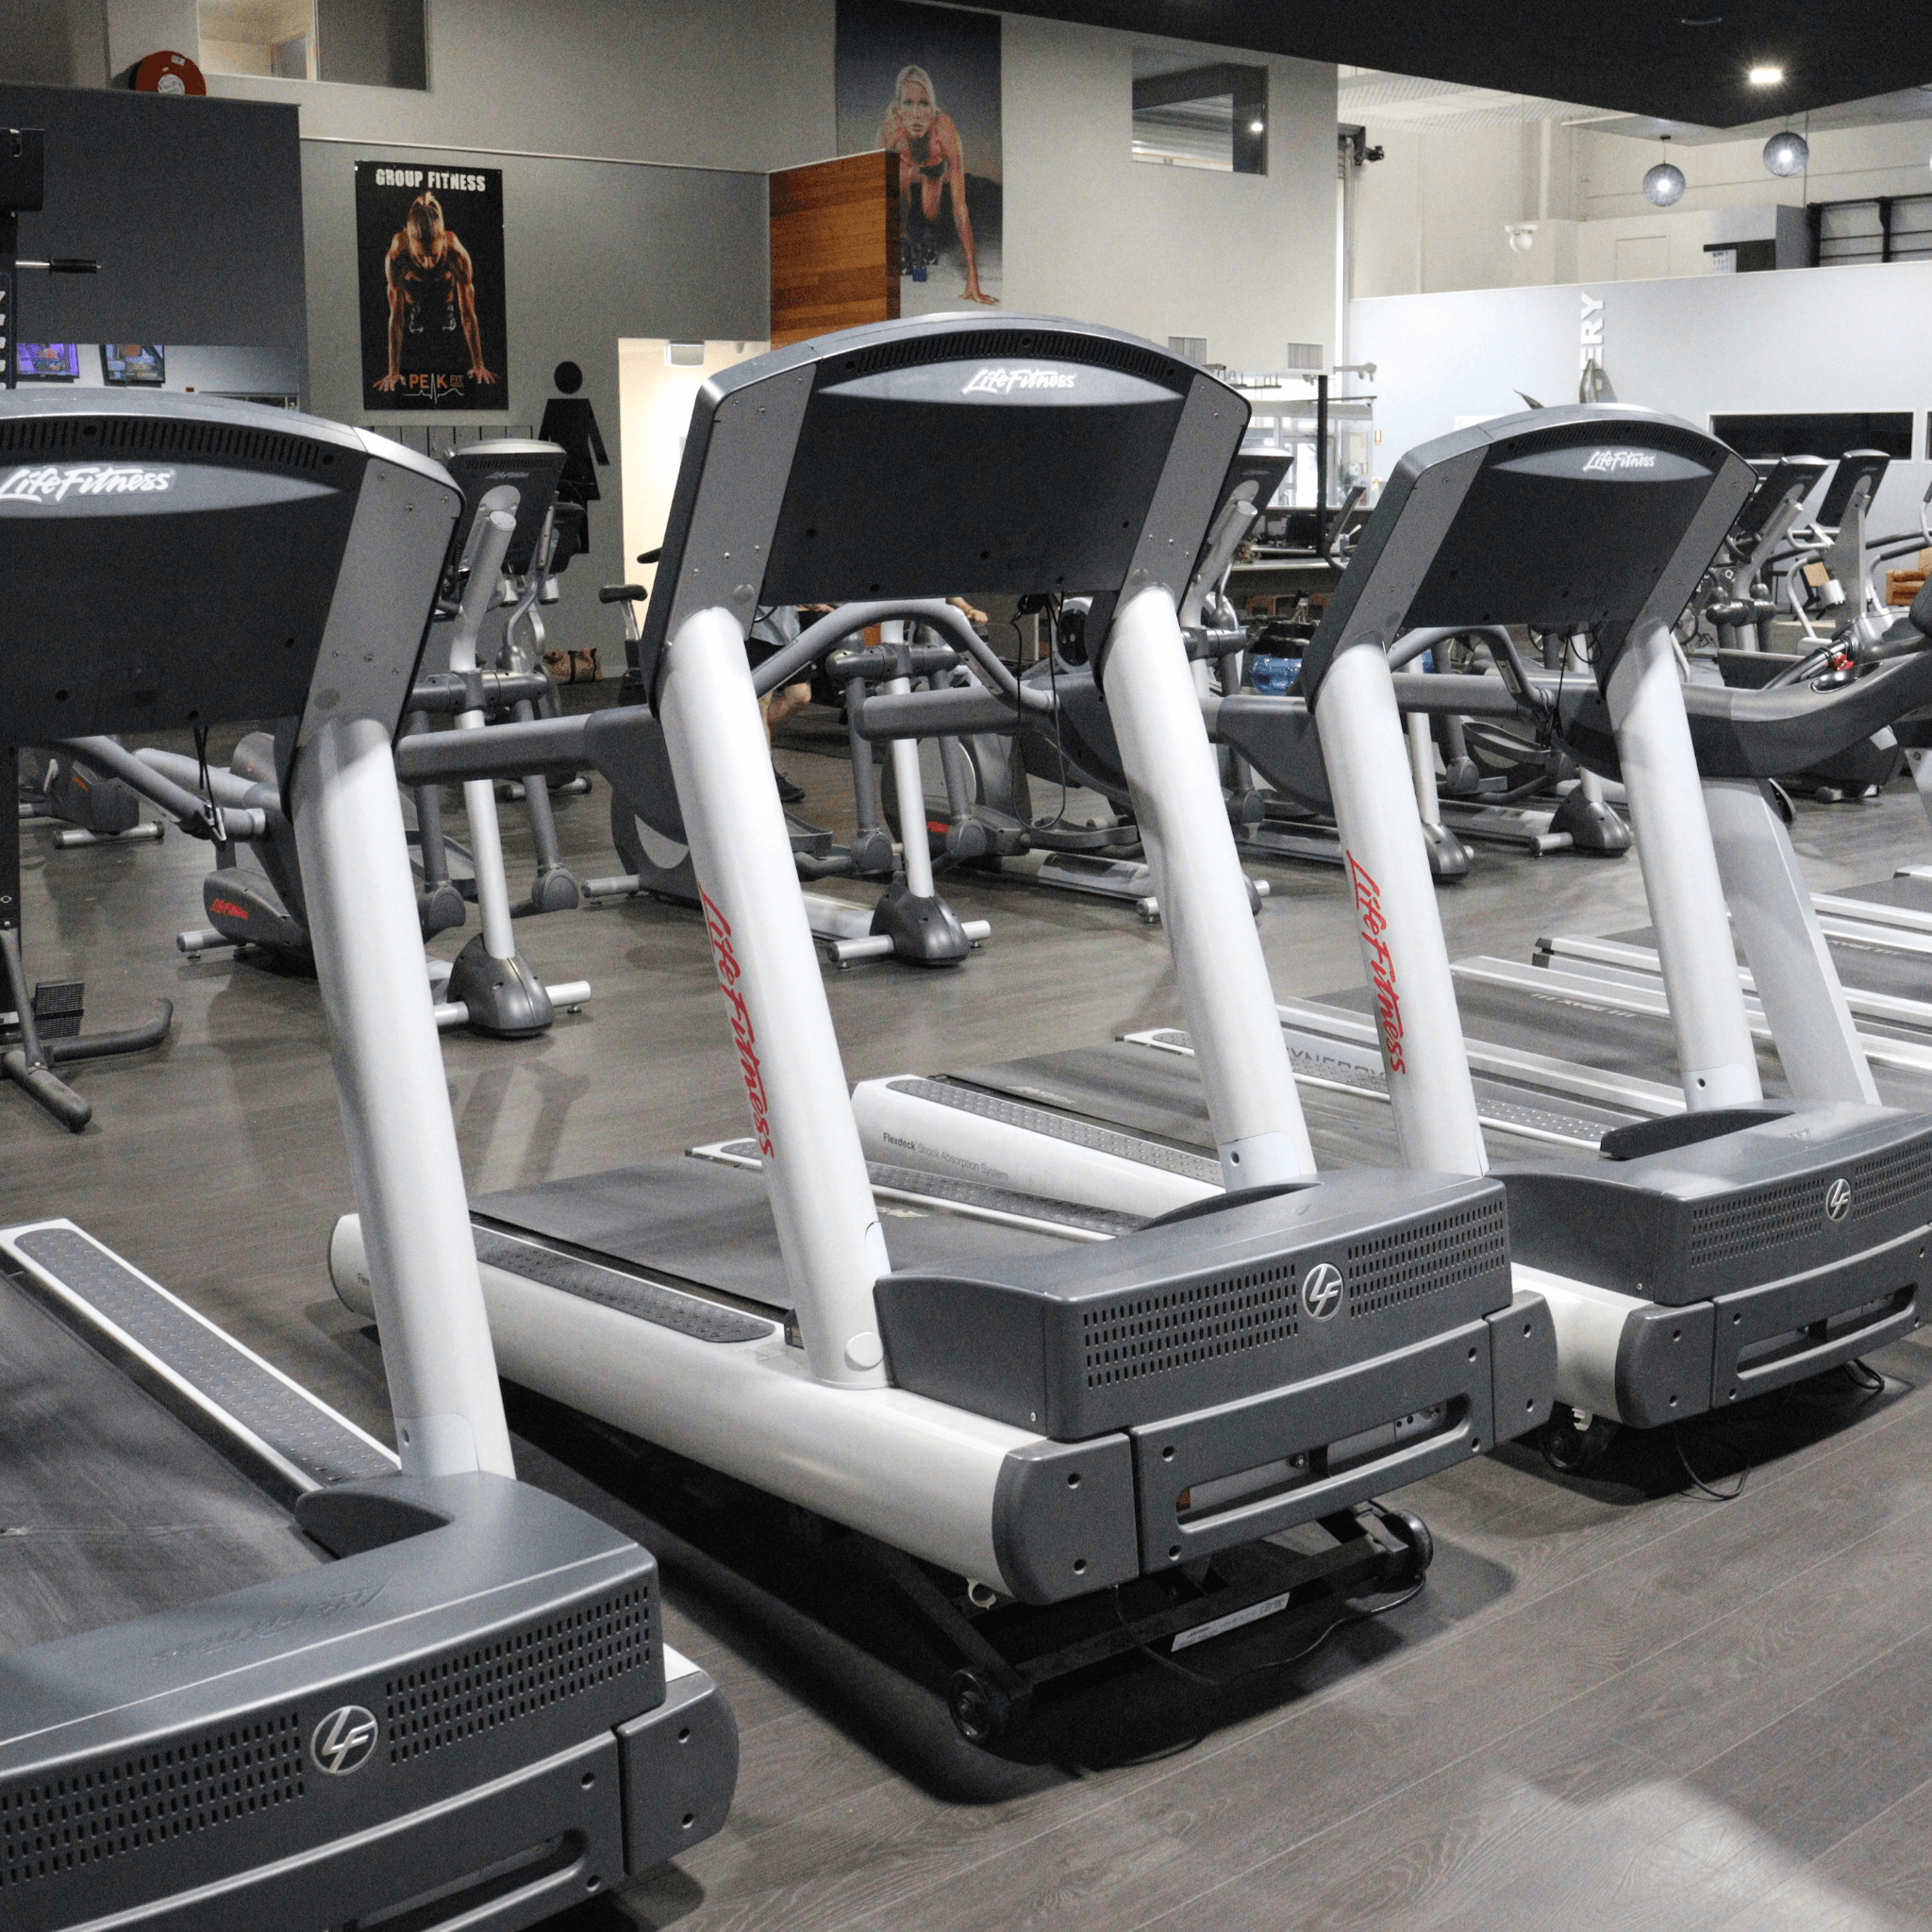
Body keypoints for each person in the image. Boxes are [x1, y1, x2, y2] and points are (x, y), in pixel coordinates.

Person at [877, 64, 996, 306]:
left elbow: (960, 206)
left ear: (932, 109)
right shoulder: (890, 131)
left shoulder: (944, 130)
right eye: (908, 103)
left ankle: (926, 238)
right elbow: (876, 196)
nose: (917, 114)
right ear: (898, 109)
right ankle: (911, 246)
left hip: (933, 172)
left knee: (930, 213)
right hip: (906, 170)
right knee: (900, 200)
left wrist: (973, 277)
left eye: (924, 104)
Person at [375, 192, 496, 393]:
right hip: (414, 294)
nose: (428, 264)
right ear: (410, 243)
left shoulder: (456, 253)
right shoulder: (397, 255)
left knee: (444, 279)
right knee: (412, 281)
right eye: (420, 256)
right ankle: (417, 310)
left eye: (434, 255)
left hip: (443, 291)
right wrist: (393, 372)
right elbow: (395, 317)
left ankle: (446, 309)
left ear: (442, 241)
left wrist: (478, 365)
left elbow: (468, 313)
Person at [538, 360, 609, 542]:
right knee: (573, 502)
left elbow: (544, 436)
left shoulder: (556, 406)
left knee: (569, 502)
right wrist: (601, 458)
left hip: (572, 463)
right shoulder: (578, 405)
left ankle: (571, 540)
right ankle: (574, 540)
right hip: (578, 464)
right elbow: (594, 434)